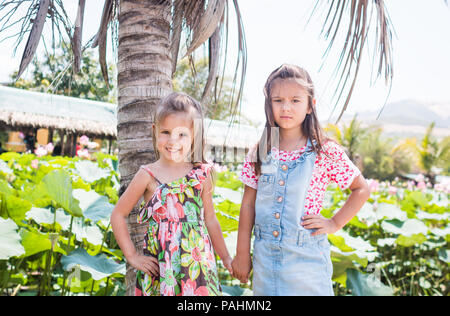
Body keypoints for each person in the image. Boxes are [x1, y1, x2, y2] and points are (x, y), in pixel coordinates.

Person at [231, 64, 370, 296]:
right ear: (269, 104)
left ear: (310, 105)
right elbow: (247, 204)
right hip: (265, 260)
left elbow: (361, 189)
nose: (286, 107)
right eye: (278, 100)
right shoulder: (260, 150)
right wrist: (242, 253)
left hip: (308, 262)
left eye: (295, 100)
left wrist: (334, 223)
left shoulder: (325, 150)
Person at [110, 92, 233, 296]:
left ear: (194, 136)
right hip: (162, 266)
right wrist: (132, 255)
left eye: (182, 134)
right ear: (155, 131)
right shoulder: (147, 175)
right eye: (166, 132)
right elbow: (118, 215)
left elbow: (210, 220)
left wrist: (226, 258)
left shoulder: (201, 174)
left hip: (197, 266)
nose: (172, 140)